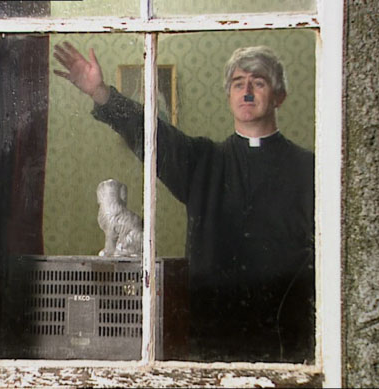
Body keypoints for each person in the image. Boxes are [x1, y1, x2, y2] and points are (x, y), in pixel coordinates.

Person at [53, 42, 315, 363]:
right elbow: (150, 133)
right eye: (238, 83)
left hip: (290, 339)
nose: (246, 90)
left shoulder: (310, 169)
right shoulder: (203, 162)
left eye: (258, 82)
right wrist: (102, 94)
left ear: (279, 96)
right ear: (229, 95)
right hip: (211, 337)